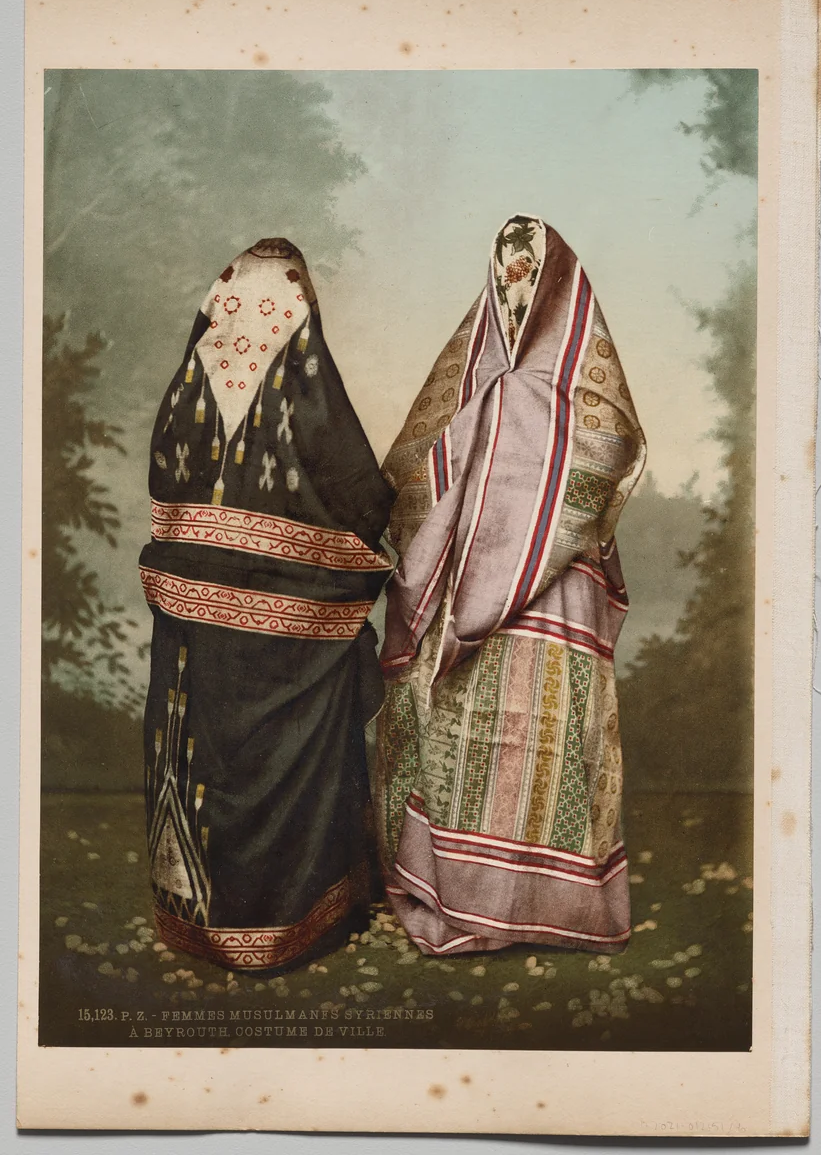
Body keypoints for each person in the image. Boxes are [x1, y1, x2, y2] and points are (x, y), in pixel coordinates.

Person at [375, 214, 646, 956]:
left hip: (553, 594)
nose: (516, 292)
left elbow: (601, 466)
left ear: (560, 287)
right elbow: (412, 474)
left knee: (545, 742)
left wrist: (522, 518)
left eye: (529, 277)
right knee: (461, 737)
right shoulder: (469, 378)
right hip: (461, 586)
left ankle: (547, 904)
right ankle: (456, 897)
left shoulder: (587, 398)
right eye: (505, 278)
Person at [139, 238, 393, 972]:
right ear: (298, 310)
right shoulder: (305, 385)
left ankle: (200, 923)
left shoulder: (185, 389)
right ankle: (289, 924)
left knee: (202, 756)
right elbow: (359, 491)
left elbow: (166, 495)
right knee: (281, 758)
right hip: (290, 630)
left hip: (191, 623)